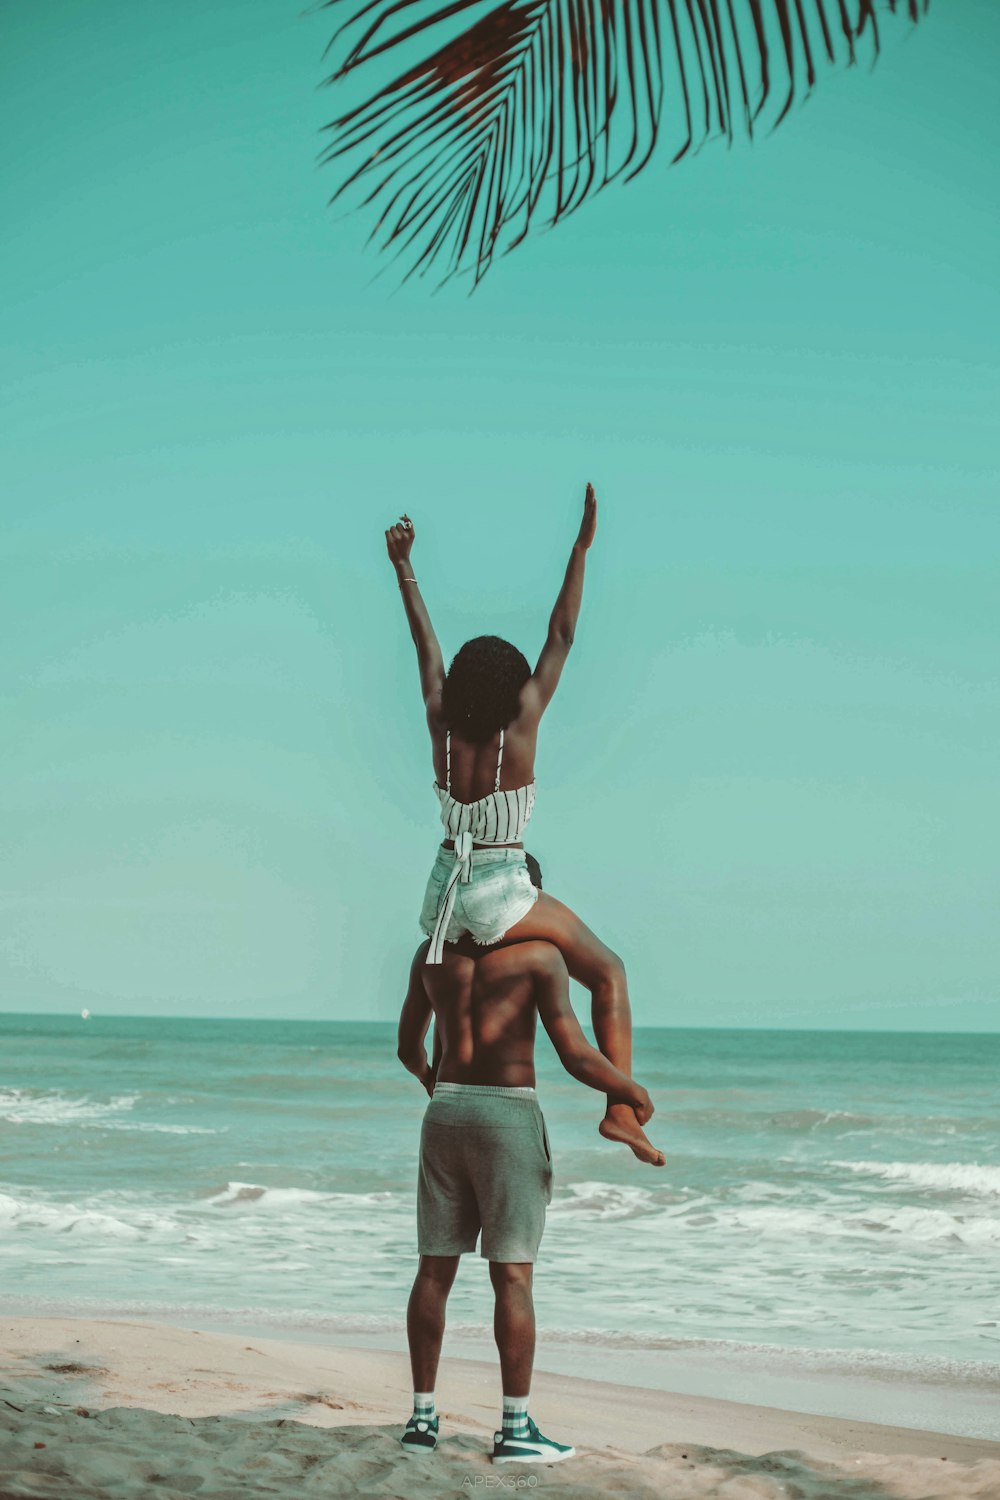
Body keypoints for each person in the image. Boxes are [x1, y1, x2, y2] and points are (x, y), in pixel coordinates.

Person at [384, 486, 665, 1168]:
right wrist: (581, 548)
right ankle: (621, 1112)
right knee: (608, 970)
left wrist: (405, 569)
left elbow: (425, 650)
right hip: (503, 889)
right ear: (512, 689)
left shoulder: (440, 729)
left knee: (458, 991)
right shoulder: (522, 727)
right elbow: (561, 635)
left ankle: (451, 1092)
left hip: (442, 892)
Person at [395, 854, 653, 1463]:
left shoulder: (430, 954)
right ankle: (515, 1430)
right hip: (508, 1114)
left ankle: (421, 1423)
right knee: (511, 1275)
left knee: (434, 1271)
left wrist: (444, 1090)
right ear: (525, 896)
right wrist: (633, 1094)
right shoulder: (541, 957)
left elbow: (407, 1047)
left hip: (446, 1113)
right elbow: (573, 1052)